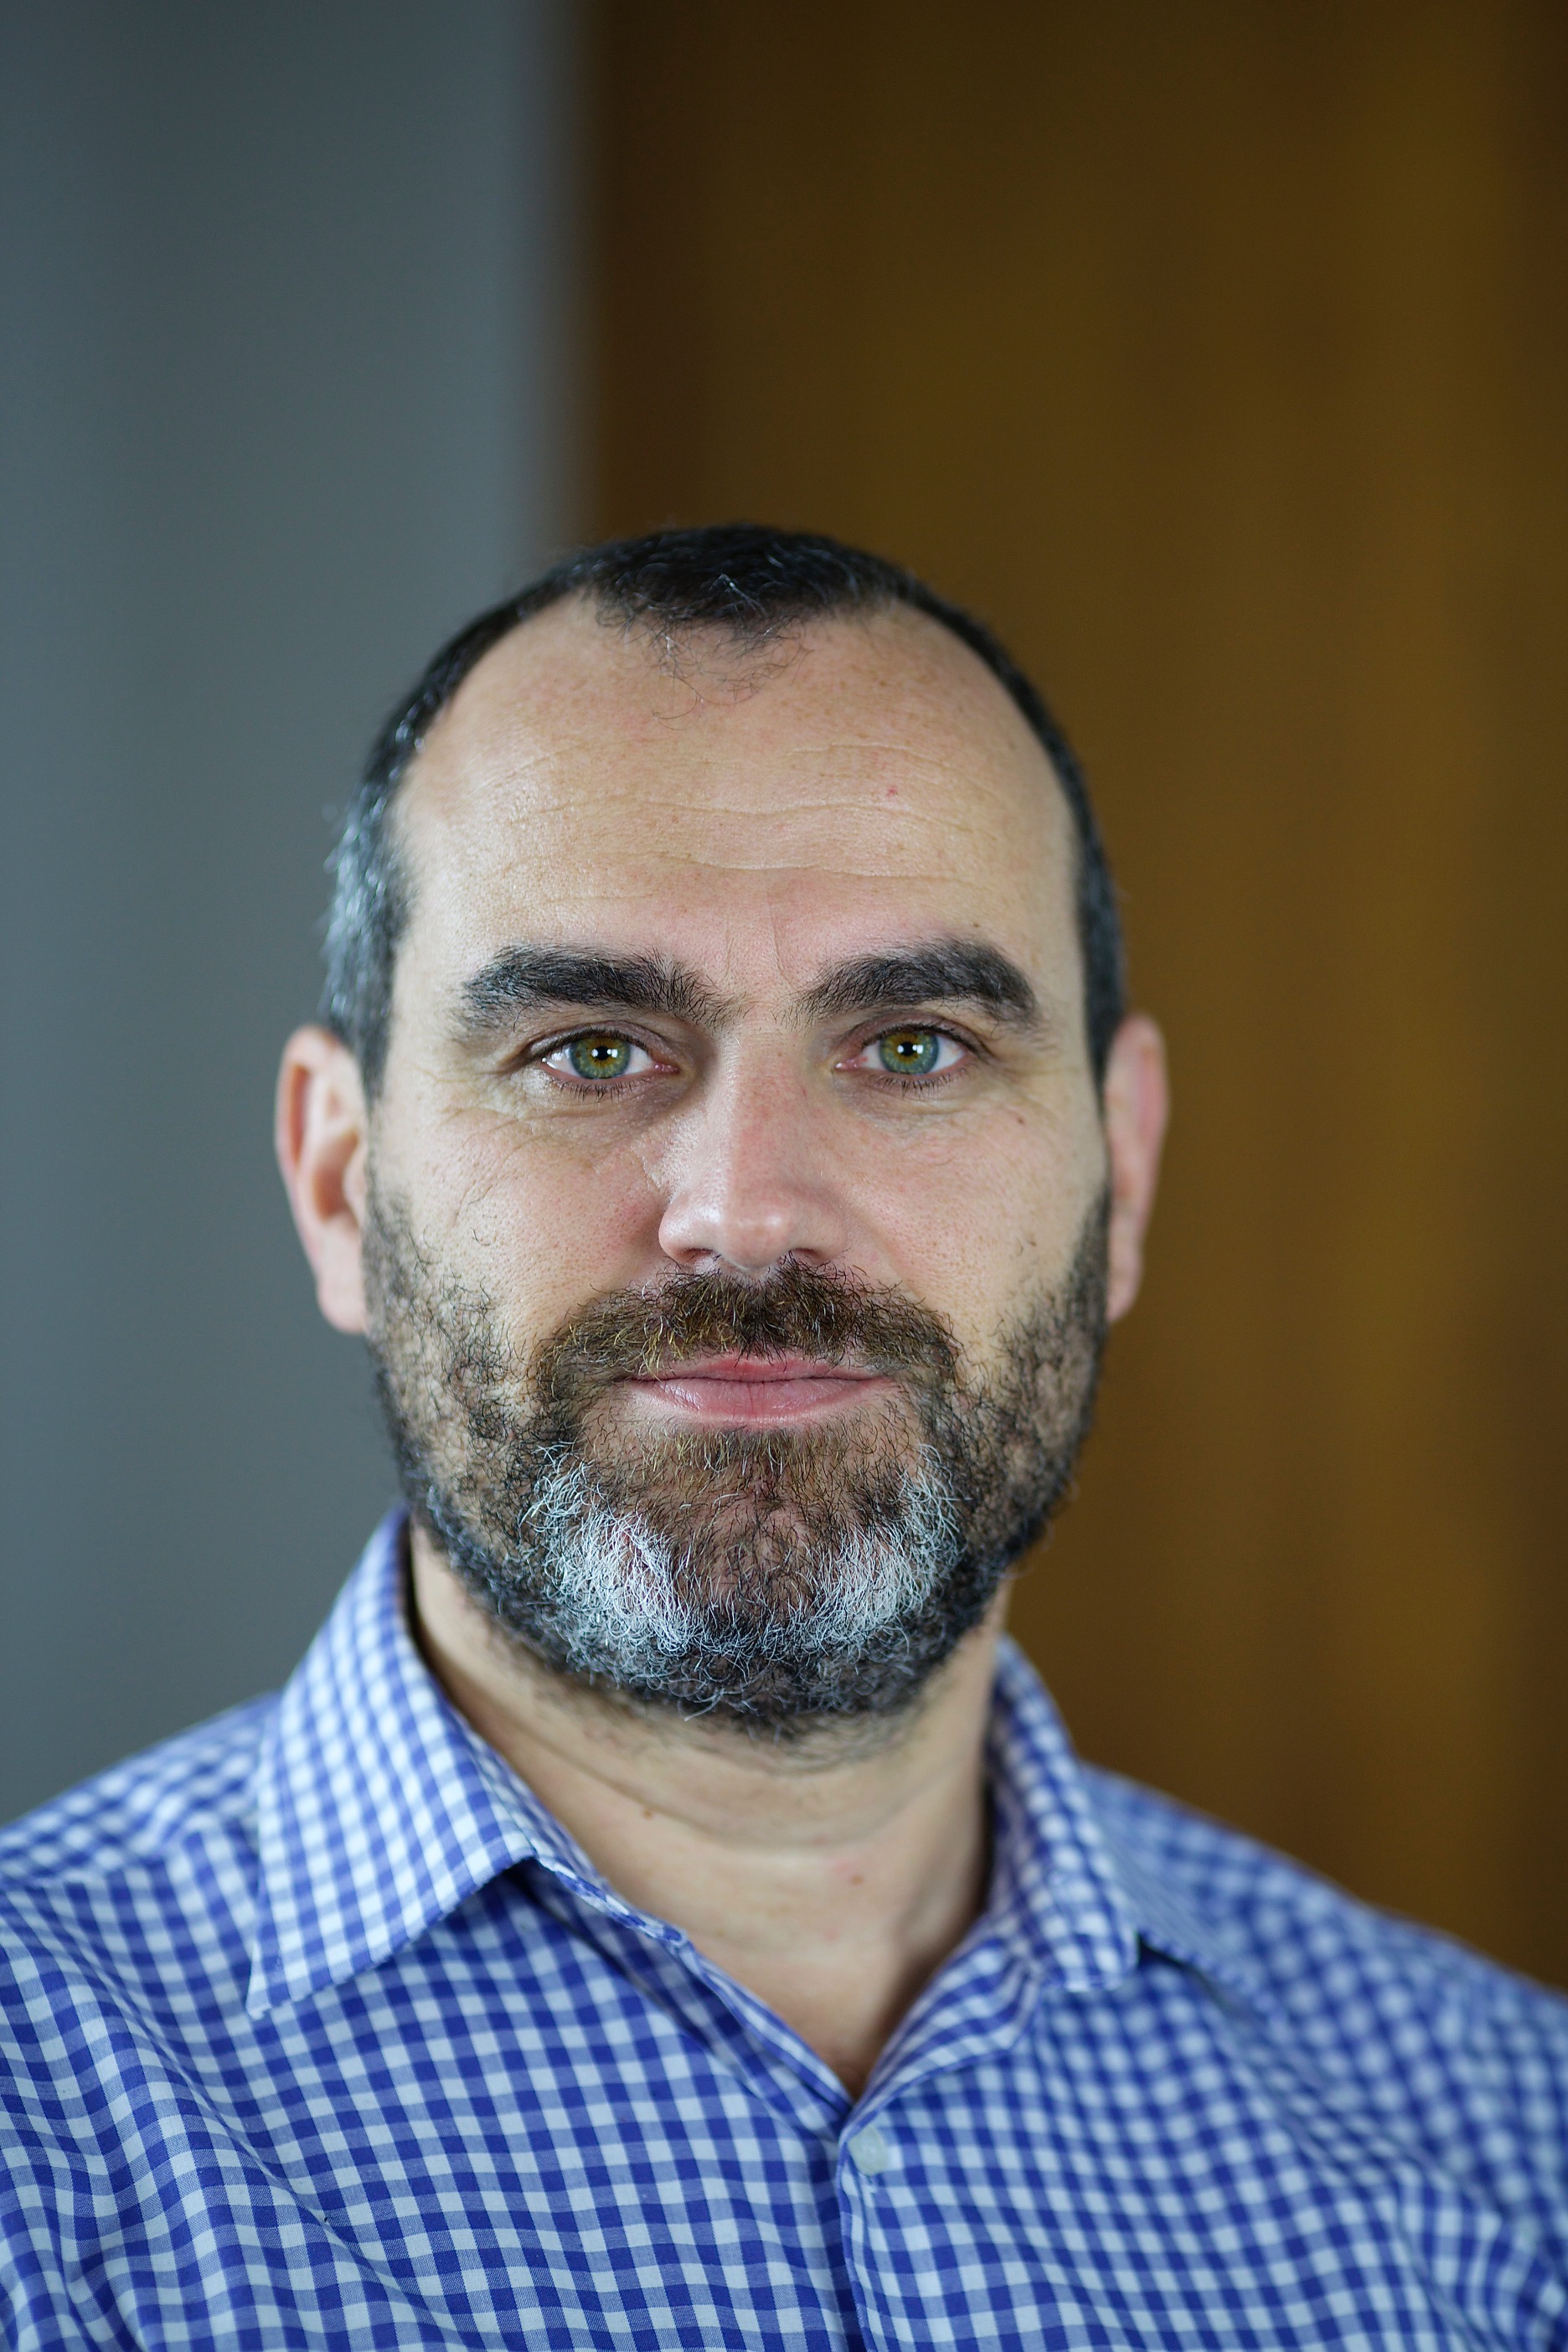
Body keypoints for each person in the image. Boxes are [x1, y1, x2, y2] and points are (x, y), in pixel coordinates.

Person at [2, 528, 1565, 2351]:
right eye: (590, 1050)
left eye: (913, 1048)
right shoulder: (40, 2132)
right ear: (341, 1182)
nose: (747, 1215)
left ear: (1122, 1170)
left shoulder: (1510, 2156)